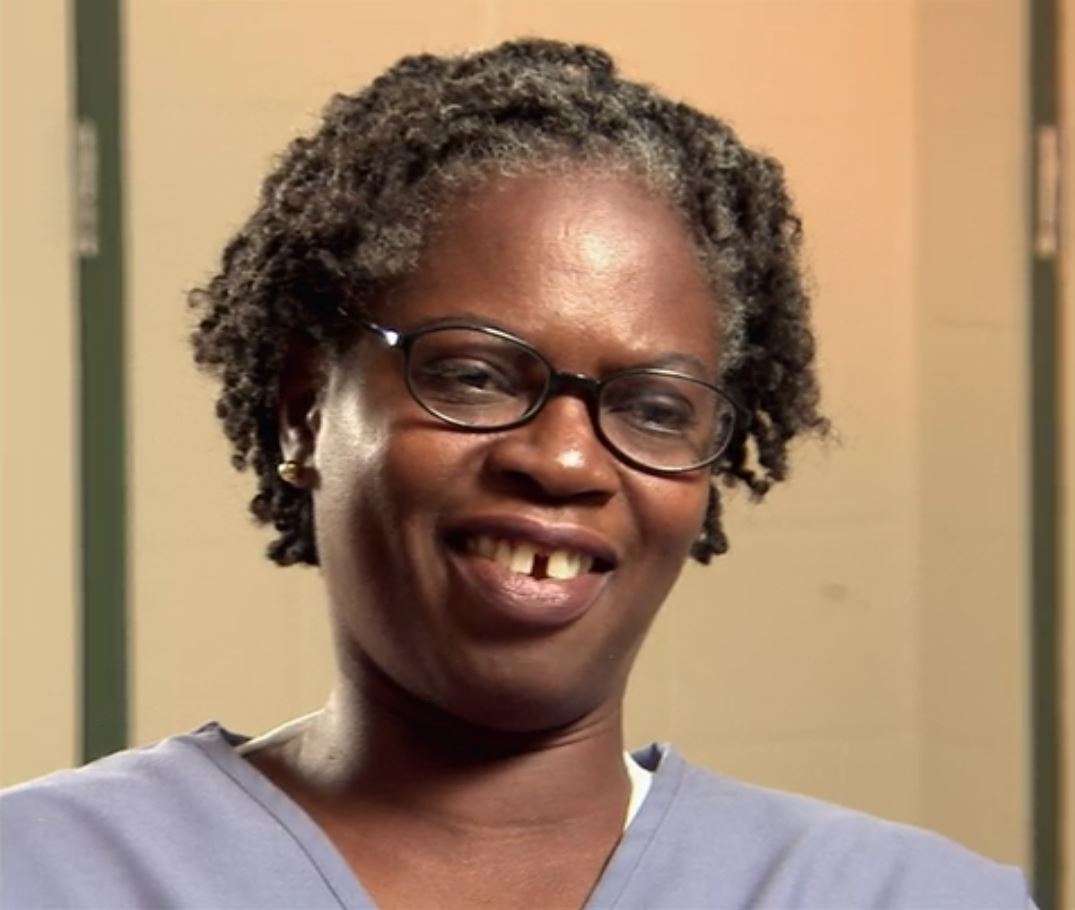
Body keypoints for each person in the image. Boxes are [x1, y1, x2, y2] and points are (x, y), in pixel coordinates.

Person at [1, 38, 1031, 910]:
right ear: (305, 411)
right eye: (475, 375)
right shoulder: (46, 872)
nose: (565, 459)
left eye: (653, 408)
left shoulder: (910, 897)